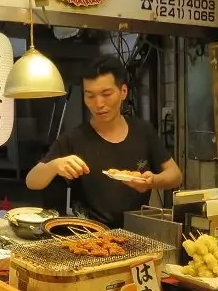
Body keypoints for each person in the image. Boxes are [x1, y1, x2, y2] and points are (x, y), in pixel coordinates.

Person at [25, 54, 182, 228]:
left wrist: (152, 181)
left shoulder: (143, 131)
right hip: (88, 235)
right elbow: (32, 181)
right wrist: (54, 165)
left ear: (123, 92)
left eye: (106, 94)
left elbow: (175, 175)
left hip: (136, 233)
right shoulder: (74, 139)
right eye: (90, 95)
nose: (98, 104)